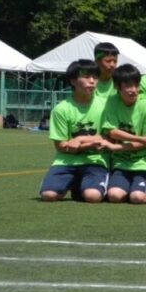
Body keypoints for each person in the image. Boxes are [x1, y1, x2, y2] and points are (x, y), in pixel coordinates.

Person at [39, 59, 110, 203]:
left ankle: (80, 185)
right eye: (86, 77)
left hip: (96, 161)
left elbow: (109, 137)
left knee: (93, 196)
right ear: (73, 81)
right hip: (66, 162)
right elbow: (61, 146)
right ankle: (72, 182)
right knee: (48, 195)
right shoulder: (61, 109)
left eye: (95, 77)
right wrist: (93, 142)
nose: (92, 81)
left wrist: (79, 140)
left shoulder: (106, 105)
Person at [102, 65, 146, 204]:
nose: (134, 91)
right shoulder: (112, 101)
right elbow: (112, 132)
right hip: (121, 162)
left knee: (137, 197)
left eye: (136, 86)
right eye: (129, 86)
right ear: (118, 87)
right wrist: (140, 138)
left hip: (145, 163)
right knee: (114, 196)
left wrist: (117, 147)